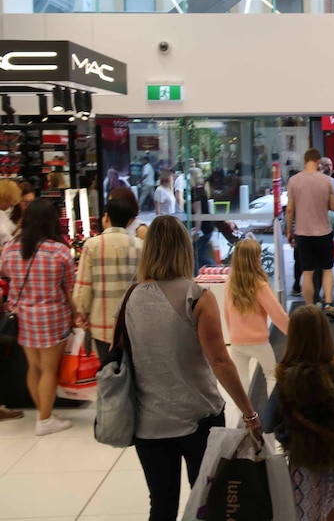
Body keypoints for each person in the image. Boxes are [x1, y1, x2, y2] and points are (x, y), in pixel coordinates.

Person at [125, 215, 261, 521]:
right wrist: (249, 413)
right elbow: (219, 361)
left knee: (161, 504)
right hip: (199, 418)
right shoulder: (197, 296)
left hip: (149, 423)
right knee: (208, 502)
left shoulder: (129, 298)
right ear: (184, 248)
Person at [262, 305, 334, 521]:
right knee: (333, 506)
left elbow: (267, 423)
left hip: (304, 463)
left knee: (305, 513)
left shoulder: (286, 379)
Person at [0, 199, 76, 435]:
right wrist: (78, 316)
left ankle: (45, 412)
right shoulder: (60, 251)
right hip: (53, 316)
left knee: (33, 368)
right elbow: (69, 288)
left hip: (22, 316)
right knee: (49, 369)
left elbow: (6, 275)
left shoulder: (11, 249)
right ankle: (44, 419)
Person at [73, 197, 142, 362]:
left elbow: (84, 286)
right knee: (133, 374)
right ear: (129, 221)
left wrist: (82, 312)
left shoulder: (92, 245)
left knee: (108, 373)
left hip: (101, 324)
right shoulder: (140, 245)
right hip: (133, 323)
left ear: (106, 217)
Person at [225, 238, 289, 395]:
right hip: (259, 341)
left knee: (241, 381)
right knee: (271, 376)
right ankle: (272, 413)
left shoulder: (230, 284)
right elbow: (277, 314)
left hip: (237, 341)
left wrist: (232, 333)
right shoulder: (260, 285)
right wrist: (293, 332)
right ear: (255, 260)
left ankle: (245, 416)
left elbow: (227, 313)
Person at [286, 148, 334, 318]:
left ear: (305, 161)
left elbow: (289, 210)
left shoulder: (294, 181)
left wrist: (289, 231)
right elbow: (333, 207)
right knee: (327, 270)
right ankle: (328, 303)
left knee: (307, 272)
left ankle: (309, 308)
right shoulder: (327, 181)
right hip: (324, 231)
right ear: (318, 162)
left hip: (303, 232)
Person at [189, 168, 215, 276]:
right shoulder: (203, 190)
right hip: (208, 227)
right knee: (201, 255)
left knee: (196, 255)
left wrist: (197, 232)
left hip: (203, 229)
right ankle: (214, 269)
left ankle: (197, 276)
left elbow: (198, 213)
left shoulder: (195, 192)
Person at [0, 179, 21, 246]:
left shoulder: (2, 214)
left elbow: (10, 234)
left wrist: (19, 226)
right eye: (11, 200)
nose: (12, 204)